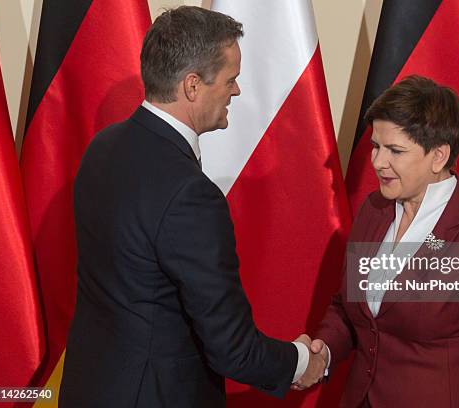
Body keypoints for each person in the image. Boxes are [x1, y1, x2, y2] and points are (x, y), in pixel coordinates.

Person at [59, 6, 326, 407]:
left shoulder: (102, 148)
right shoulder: (190, 194)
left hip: (90, 388)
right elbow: (232, 348)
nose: (236, 91)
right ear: (193, 86)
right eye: (230, 79)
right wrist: (303, 360)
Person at [306, 76, 459, 407]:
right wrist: (322, 352)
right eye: (376, 147)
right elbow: (349, 306)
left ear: (438, 156)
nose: (378, 162)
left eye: (395, 150)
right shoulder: (373, 210)